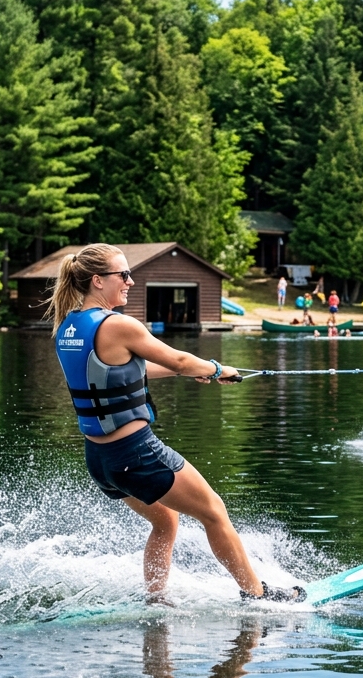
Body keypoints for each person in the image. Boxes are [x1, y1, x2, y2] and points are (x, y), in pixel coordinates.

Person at [47, 244, 305, 603]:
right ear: (97, 281)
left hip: (101, 461)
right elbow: (182, 359)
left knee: (165, 521)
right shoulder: (119, 325)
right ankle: (257, 595)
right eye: (123, 275)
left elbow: (123, 373)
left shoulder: (68, 328)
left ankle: (156, 600)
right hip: (136, 454)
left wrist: (197, 374)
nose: (131, 282)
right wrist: (217, 369)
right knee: (214, 512)